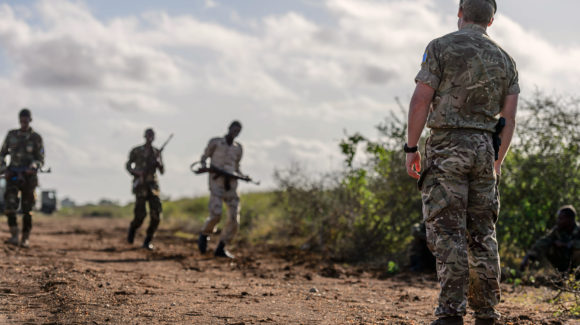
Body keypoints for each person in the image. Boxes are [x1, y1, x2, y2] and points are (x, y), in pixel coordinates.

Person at [404, 0, 519, 324]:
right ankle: (486, 312)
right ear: (491, 20)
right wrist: (496, 162)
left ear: (460, 14)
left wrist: (411, 148)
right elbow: (507, 119)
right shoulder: (506, 60)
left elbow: (420, 101)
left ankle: (451, 313)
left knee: (448, 231)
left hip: (446, 147)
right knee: (482, 233)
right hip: (485, 148)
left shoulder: (439, 47)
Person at [197, 121, 244, 259]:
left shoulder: (238, 148)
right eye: (234, 129)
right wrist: (204, 166)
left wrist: (242, 175)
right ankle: (205, 233)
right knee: (216, 214)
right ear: (229, 128)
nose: (235, 133)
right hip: (216, 183)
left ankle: (222, 246)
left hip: (231, 186)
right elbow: (204, 157)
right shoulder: (216, 142)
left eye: (238, 131)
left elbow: (237, 166)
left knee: (235, 218)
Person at [0, 108, 45, 248]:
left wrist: (33, 166)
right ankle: (14, 235)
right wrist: (4, 170)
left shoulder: (36, 138)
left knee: (27, 209)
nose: (24, 122)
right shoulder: (11, 135)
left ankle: (25, 238)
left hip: (28, 179)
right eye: (22, 120)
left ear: (30, 120)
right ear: (19, 120)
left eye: (26, 120)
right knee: (9, 206)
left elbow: (41, 159)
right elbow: (2, 155)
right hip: (12, 176)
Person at [126, 128, 164, 251]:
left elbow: (162, 171)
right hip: (141, 186)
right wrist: (136, 173)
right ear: (144, 136)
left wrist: (159, 163)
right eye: (148, 135)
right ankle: (132, 228)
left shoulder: (156, 152)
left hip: (153, 187)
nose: (150, 137)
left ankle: (148, 240)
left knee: (156, 214)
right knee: (140, 215)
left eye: (152, 135)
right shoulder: (136, 150)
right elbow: (128, 165)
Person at [520, 206, 580, 273]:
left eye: (561, 218)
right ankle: (562, 273)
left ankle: (577, 275)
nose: (558, 221)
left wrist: (566, 245)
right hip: (565, 262)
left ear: (569, 219)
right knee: (549, 246)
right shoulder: (557, 230)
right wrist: (528, 256)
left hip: (576, 264)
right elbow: (543, 241)